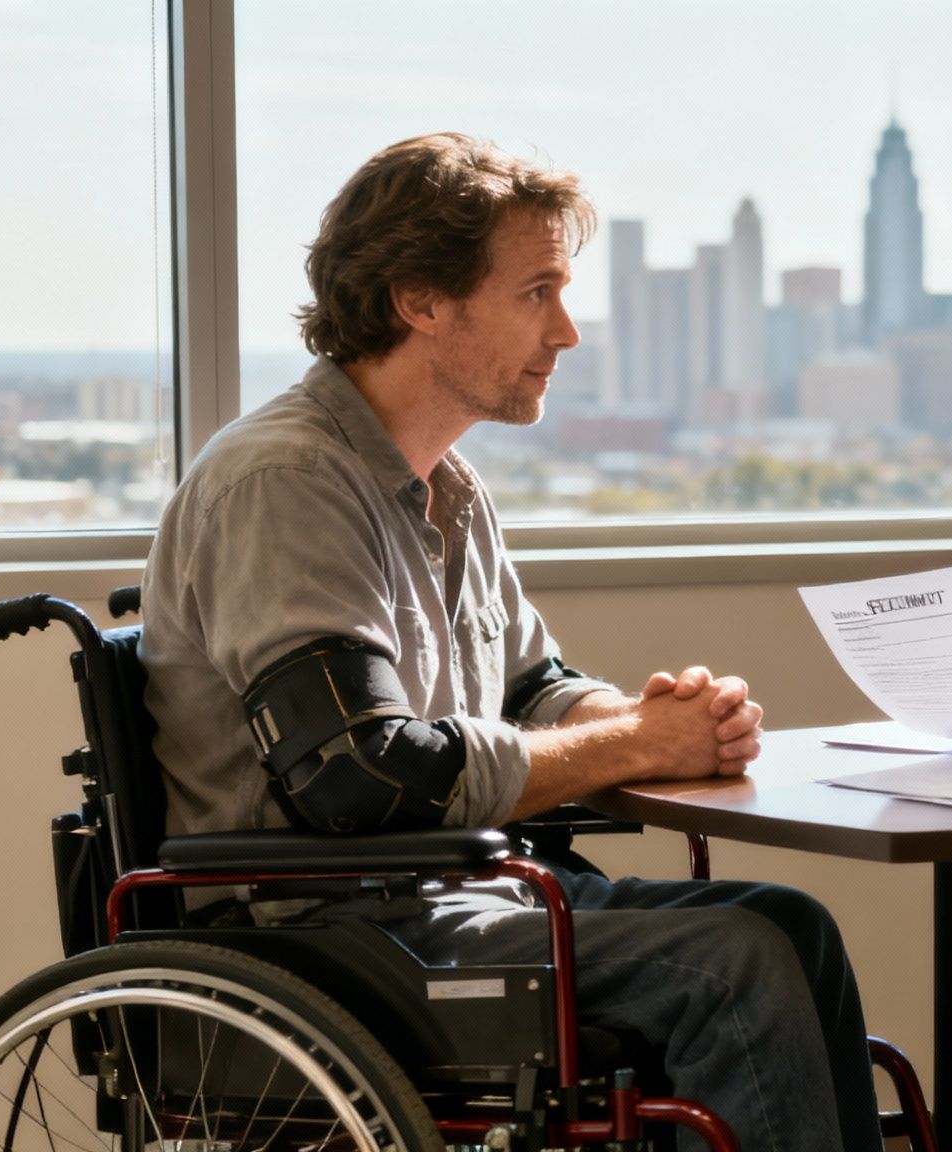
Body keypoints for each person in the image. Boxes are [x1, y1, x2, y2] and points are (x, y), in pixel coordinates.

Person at [140, 132, 881, 1152]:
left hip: (443, 895)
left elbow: (532, 685)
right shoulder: (287, 483)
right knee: (736, 961)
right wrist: (629, 751)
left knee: (790, 929)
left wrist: (647, 717)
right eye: (537, 292)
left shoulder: (446, 486)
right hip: (319, 936)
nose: (567, 332)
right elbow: (357, 775)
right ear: (421, 300)